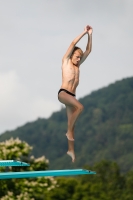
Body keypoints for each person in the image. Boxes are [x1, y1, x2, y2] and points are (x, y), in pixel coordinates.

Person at [58, 25, 93, 162]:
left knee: (73, 126)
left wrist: (90, 35)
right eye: (77, 57)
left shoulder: (77, 66)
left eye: (80, 58)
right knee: (80, 108)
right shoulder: (66, 61)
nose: (79, 60)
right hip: (63, 93)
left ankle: (71, 151)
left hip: (71, 96)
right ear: (71, 55)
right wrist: (84, 32)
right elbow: (73, 43)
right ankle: (67, 131)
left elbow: (88, 50)